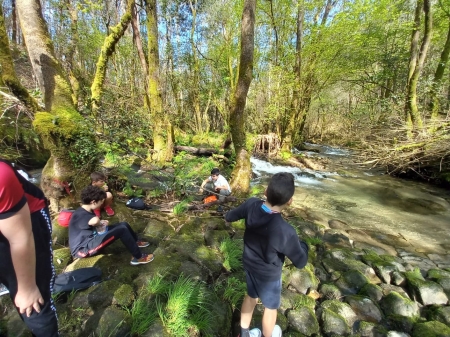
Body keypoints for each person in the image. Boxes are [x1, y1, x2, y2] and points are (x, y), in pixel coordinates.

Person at [225, 172, 309, 337]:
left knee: (251, 296)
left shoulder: (251, 204)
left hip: (249, 265)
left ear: (265, 192)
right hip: (269, 275)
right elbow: (300, 262)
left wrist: (226, 214)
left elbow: (230, 216)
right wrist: (304, 246)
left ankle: (244, 333)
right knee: (270, 308)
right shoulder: (286, 231)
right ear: (289, 201)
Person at [0, 159, 59, 336]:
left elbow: (21, 238)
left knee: (32, 302)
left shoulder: (1, 175)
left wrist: (27, 288)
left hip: (23, 222)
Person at [69, 185, 154, 265]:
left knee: (123, 224)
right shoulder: (81, 214)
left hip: (91, 238)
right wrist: (100, 222)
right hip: (83, 249)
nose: (102, 204)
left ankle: (135, 241)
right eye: (101, 202)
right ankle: (138, 257)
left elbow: (89, 222)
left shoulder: (84, 210)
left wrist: (101, 222)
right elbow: (94, 221)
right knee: (122, 230)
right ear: (93, 202)